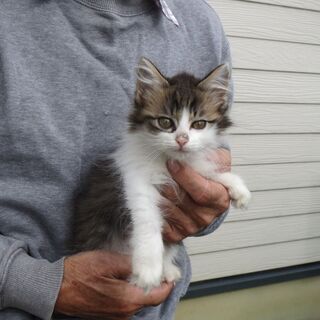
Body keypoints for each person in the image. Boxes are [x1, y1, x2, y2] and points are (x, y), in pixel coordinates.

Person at [0, 0, 232, 319]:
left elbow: (212, 166)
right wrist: (30, 281)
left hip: (153, 306)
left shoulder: (200, 23)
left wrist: (209, 204)